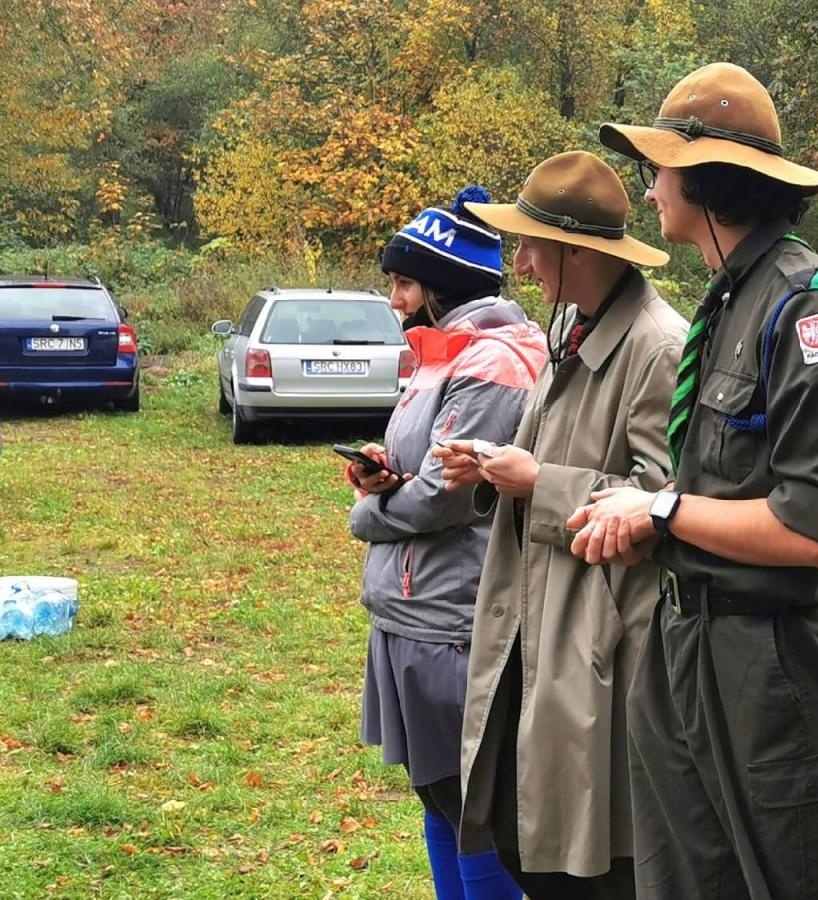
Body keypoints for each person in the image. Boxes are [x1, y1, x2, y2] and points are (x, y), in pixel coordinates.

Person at [569, 62, 818, 900]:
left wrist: (663, 507)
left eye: (659, 169)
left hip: (774, 670)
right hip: (686, 649)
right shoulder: (727, 299)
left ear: (707, 181)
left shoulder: (806, 309)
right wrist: (649, 520)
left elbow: (814, 531)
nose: (648, 193)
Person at [436, 151, 685, 899]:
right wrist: (492, 466)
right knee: (521, 832)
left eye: (532, 244)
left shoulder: (657, 345)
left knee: (593, 861)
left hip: (594, 647)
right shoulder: (573, 323)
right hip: (532, 625)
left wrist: (538, 481)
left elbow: (663, 501)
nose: (520, 261)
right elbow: (555, 449)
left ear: (577, 251)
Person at [347, 186, 546, 900]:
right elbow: (423, 468)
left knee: (473, 810)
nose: (395, 298)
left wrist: (369, 512)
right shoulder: (442, 350)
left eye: (403, 281)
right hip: (413, 608)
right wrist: (384, 470)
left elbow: (445, 494)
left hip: (454, 619)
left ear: (445, 282)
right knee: (439, 798)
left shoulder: (494, 360)